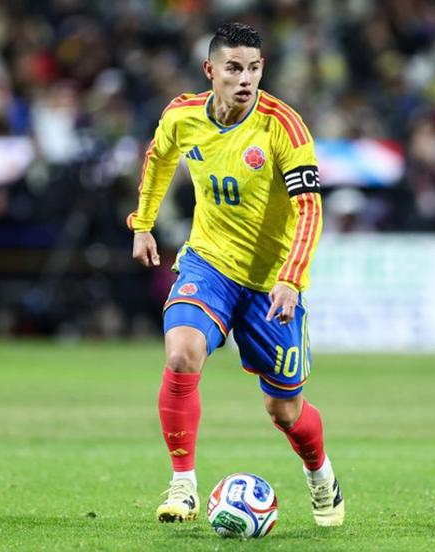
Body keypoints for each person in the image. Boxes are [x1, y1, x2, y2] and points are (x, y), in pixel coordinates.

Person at [128, 22, 344, 527]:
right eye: (234, 69)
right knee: (182, 353)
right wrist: (143, 224)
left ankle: (321, 475)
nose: (245, 79)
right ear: (211, 71)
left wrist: (291, 277)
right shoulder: (182, 115)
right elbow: (158, 159)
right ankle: (183, 485)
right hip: (209, 262)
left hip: (272, 282)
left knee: (285, 412)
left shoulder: (283, 127)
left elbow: (309, 209)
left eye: (254, 69)